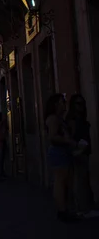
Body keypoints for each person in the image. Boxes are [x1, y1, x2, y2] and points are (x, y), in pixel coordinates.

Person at [45, 93, 78, 222]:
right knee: (60, 181)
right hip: (58, 152)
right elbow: (53, 137)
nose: (64, 104)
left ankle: (64, 209)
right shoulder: (53, 119)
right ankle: (62, 211)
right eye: (62, 102)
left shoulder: (58, 118)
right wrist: (69, 141)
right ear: (55, 105)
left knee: (63, 181)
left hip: (60, 151)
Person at [66, 94, 95, 217]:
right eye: (78, 104)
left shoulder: (80, 118)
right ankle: (82, 208)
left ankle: (84, 207)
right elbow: (70, 137)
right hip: (78, 152)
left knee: (83, 179)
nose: (81, 107)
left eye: (82, 104)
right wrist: (76, 149)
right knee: (80, 181)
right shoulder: (72, 120)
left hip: (84, 151)